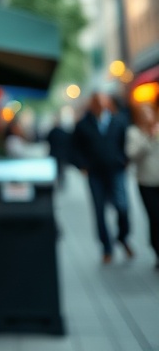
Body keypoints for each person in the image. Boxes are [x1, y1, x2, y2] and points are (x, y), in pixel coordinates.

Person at [72, 92, 133, 264]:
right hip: (95, 173)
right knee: (99, 210)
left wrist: (124, 160)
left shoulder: (118, 121)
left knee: (122, 206)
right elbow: (74, 148)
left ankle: (123, 236)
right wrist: (82, 165)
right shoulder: (83, 124)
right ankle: (106, 247)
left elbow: (126, 143)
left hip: (116, 171)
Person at [125, 102, 159, 269]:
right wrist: (149, 138)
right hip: (147, 182)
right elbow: (132, 154)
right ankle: (157, 249)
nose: (147, 117)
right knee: (155, 217)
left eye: (149, 113)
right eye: (143, 114)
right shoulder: (134, 132)